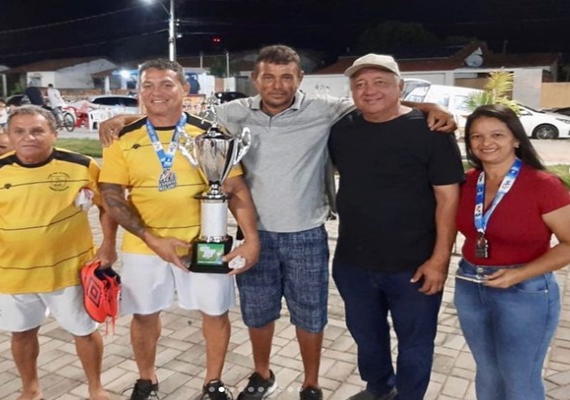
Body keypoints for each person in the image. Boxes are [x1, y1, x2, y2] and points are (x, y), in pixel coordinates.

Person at [98, 45, 456, 400]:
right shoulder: (230, 113)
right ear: (255, 80)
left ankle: (311, 383)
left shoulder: (324, 109)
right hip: (253, 235)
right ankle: (261, 373)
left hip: (307, 233)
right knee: (257, 314)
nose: (277, 85)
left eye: (287, 77)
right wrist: (124, 119)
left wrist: (432, 107)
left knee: (311, 317)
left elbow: (380, 105)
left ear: (300, 79)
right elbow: (170, 116)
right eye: (268, 77)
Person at [98, 59, 260, 400]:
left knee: (215, 314)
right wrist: (150, 239)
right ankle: (147, 380)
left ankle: (213, 383)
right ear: (138, 91)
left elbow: (236, 189)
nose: (156, 92)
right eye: (148, 85)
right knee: (143, 315)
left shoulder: (210, 135)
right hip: (144, 246)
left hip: (206, 245)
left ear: (185, 90)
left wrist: (251, 239)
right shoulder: (122, 139)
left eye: (167, 84)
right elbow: (111, 197)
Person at [0, 105, 118, 400]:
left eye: (37, 130)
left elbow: (107, 206)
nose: (28, 137)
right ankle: (30, 388)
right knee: (22, 333)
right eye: (19, 131)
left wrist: (108, 245)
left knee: (84, 330)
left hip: (69, 271)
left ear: (53, 134)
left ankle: (96, 387)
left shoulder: (81, 165)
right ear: (8, 136)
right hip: (16, 273)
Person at [328, 54, 463, 400]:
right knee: (366, 336)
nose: (369, 90)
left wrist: (440, 261)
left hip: (414, 266)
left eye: (380, 82)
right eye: (360, 84)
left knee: (415, 342)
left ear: (400, 87)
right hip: (353, 263)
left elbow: (449, 201)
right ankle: (378, 388)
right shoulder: (342, 129)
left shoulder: (431, 132)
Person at [454, 104, 570, 400]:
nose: (486, 143)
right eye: (476, 136)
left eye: (497, 134)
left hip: (525, 290)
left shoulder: (544, 185)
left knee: (520, 380)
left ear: (516, 139)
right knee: (488, 372)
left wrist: (520, 274)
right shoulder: (467, 181)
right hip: (471, 285)